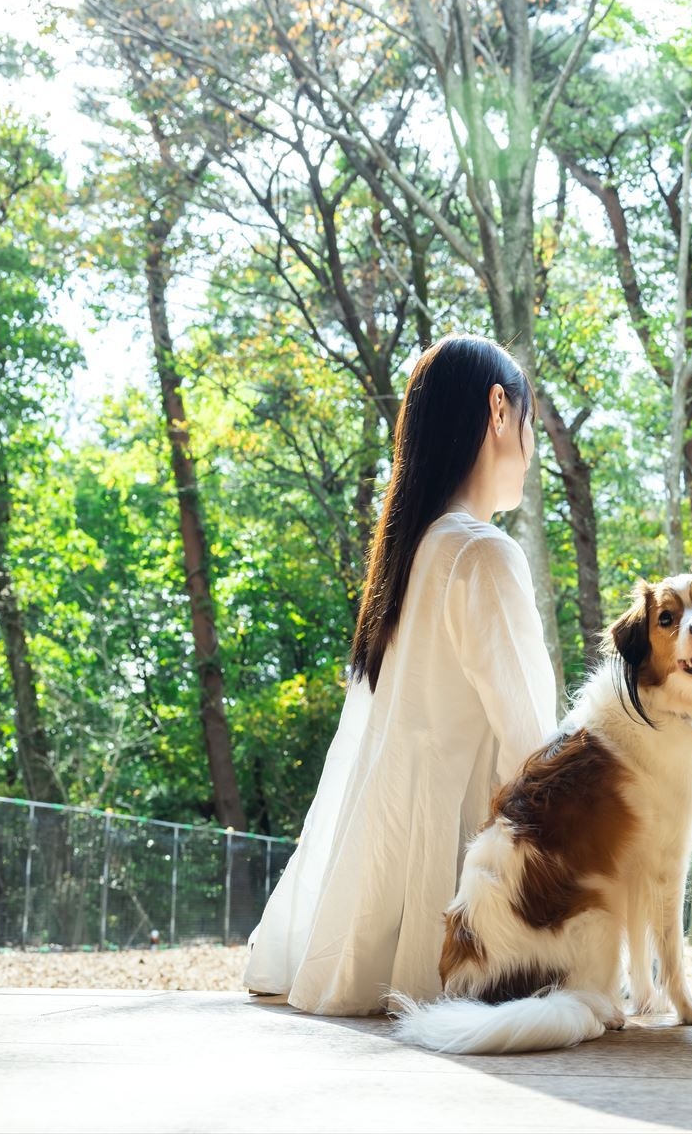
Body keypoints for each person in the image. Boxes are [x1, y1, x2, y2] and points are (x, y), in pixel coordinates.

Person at [243, 336, 557, 1016]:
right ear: (498, 410)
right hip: (462, 909)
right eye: (531, 426)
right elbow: (536, 758)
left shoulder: (412, 554)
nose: (531, 452)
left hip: (381, 896)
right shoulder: (482, 553)